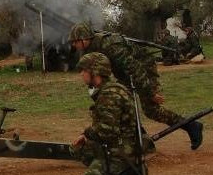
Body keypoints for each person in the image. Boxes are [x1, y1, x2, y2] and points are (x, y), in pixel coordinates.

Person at [68, 24, 203, 150]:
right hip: (125, 73)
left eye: (75, 42)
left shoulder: (110, 46)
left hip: (143, 68)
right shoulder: (91, 48)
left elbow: (134, 68)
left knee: (151, 110)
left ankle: (191, 126)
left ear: (85, 39)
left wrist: (150, 93)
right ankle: (140, 140)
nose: (74, 45)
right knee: (122, 104)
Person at [70, 52, 146, 175]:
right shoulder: (109, 89)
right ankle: (119, 171)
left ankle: (125, 174)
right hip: (117, 145)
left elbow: (107, 132)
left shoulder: (109, 94)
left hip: (120, 151)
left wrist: (87, 133)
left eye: (84, 70)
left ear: (95, 72)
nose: (81, 74)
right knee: (77, 149)